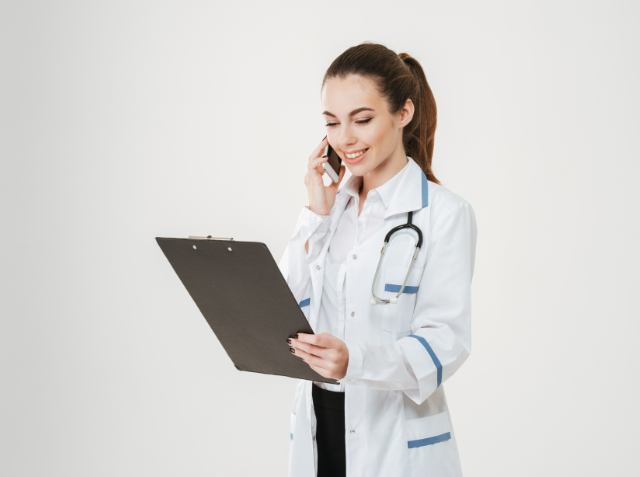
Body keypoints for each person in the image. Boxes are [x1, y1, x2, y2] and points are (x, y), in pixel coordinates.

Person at [278, 42, 478, 477]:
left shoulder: (444, 213)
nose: (344, 139)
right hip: (320, 425)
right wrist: (315, 211)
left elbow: (447, 342)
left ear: (403, 113)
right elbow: (283, 304)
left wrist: (356, 361)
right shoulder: (330, 209)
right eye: (332, 122)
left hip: (394, 441)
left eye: (362, 119)